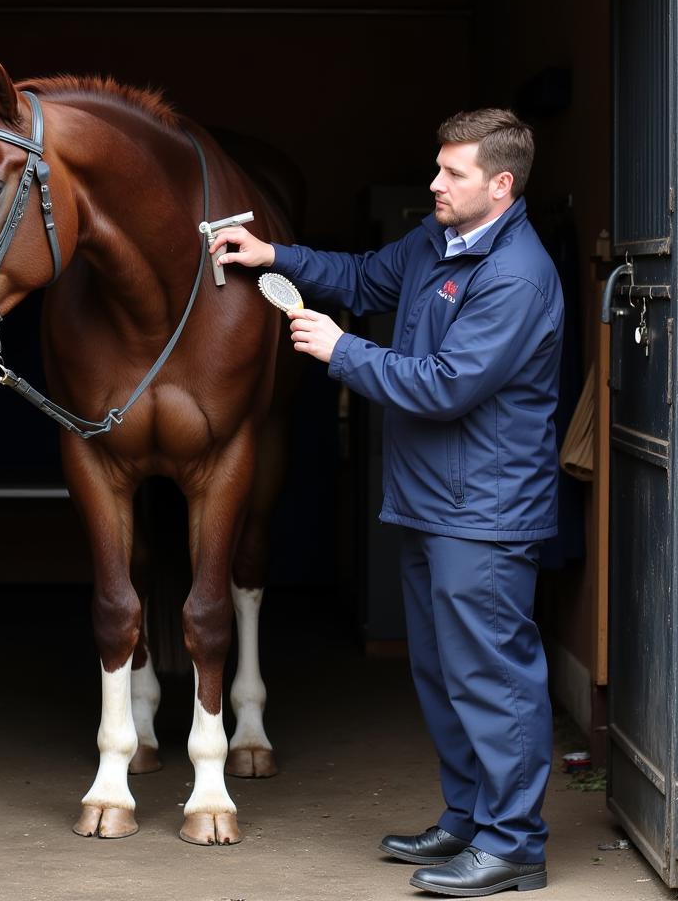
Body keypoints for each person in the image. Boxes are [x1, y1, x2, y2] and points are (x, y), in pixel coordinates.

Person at [210, 108, 562, 898]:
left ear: (500, 185)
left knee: (494, 679)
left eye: (453, 174)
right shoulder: (437, 242)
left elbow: (446, 386)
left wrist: (343, 350)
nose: (434, 184)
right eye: (436, 168)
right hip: (430, 502)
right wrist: (274, 255)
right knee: (442, 673)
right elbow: (366, 275)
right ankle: (468, 820)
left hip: (486, 512)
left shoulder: (517, 275)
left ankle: (514, 846)